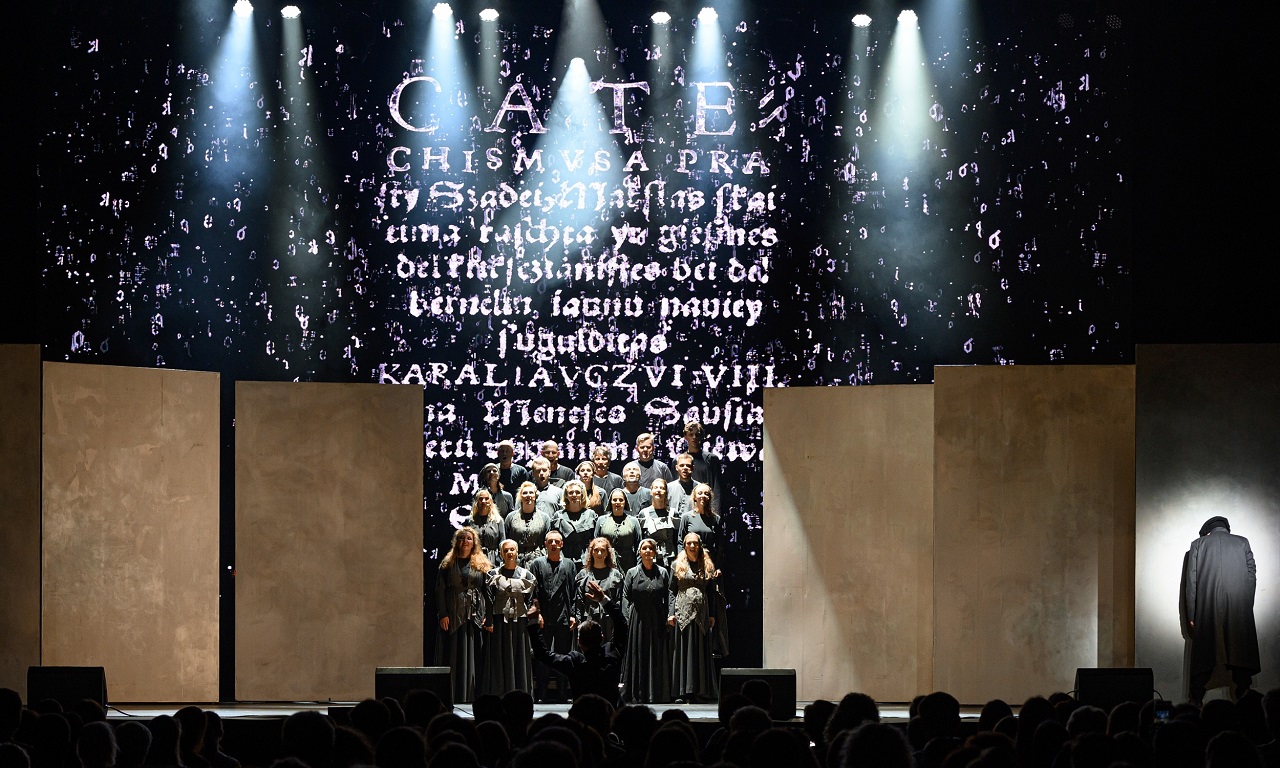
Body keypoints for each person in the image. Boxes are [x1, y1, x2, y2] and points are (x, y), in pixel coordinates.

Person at [1182, 515, 1260, 703]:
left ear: (1208, 532)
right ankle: (1245, 707)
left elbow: (1192, 582)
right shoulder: (1242, 542)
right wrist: (1245, 605)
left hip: (1208, 609)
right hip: (1238, 609)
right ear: (1226, 528)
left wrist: (1192, 613)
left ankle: (1195, 704)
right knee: (1240, 657)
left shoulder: (1198, 544)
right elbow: (1251, 575)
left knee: (1205, 657)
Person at [526, 579, 629, 707]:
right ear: (602, 637)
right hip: (610, 714)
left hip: (582, 715)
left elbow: (542, 654)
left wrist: (533, 622)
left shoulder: (575, 663)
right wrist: (603, 599)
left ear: (579, 641)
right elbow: (621, 624)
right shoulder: (612, 655)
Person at [435, 528, 492, 703]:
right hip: (454, 612)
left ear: (474, 542)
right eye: (462, 538)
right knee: (453, 653)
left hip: (475, 614)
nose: (465, 541)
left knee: (475, 653)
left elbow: (487, 591)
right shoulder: (447, 564)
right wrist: (443, 614)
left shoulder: (481, 564)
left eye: (469, 538)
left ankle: (472, 695)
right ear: (456, 541)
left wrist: (488, 616)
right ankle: (454, 694)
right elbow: (439, 590)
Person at [528, 530, 579, 703]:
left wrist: (573, 615)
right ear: (545, 544)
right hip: (544, 616)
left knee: (563, 654)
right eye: (550, 541)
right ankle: (542, 691)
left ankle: (563, 691)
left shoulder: (569, 564)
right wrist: (537, 613)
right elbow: (533, 591)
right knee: (542, 655)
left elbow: (574, 592)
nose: (554, 544)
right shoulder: (537, 564)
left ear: (562, 544)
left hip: (563, 615)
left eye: (557, 541)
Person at [481, 540, 537, 696]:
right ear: (501, 554)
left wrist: (529, 619)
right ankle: (500, 692)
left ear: (517, 552)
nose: (509, 553)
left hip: (520, 620)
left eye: (512, 549)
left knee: (520, 655)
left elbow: (530, 600)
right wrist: (490, 621)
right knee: (500, 655)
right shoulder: (493, 574)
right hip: (500, 620)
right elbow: (489, 599)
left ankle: (521, 691)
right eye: (506, 550)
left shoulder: (527, 575)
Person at [669, 532, 720, 703]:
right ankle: (683, 692)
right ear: (684, 546)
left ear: (699, 545)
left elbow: (711, 591)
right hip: (682, 612)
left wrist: (712, 614)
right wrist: (671, 613)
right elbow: (671, 590)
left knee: (700, 650)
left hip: (702, 613)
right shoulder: (676, 565)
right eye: (689, 543)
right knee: (684, 650)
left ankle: (701, 691)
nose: (692, 546)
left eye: (695, 543)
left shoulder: (707, 565)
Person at [621, 538, 672, 704]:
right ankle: (638, 693)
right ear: (640, 552)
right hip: (637, 618)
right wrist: (626, 619)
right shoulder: (632, 573)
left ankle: (656, 693)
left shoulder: (663, 572)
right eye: (645, 548)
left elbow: (668, 595)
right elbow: (625, 597)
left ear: (655, 552)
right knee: (638, 653)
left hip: (657, 617)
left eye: (651, 548)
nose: (648, 551)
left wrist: (669, 615)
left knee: (656, 655)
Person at [575, 537, 626, 641]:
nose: (599, 553)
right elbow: (579, 601)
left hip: (609, 622)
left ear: (607, 553)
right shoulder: (583, 575)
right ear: (591, 552)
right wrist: (579, 624)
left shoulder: (616, 575)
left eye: (602, 550)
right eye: (596, 550)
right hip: (588, 620)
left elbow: (619, 601)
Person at [681, 421, 723, 517]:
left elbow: (717, 488)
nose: (694, 437)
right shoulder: (679, 461)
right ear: (685, 437)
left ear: (702, 436)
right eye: (691, 434)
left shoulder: (711, 460)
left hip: (707, 508)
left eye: (697, 434)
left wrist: (715, 514)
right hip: (686, 509)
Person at [552, 479, 598, 565]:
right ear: (566, 495)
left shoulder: (591, 514)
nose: (574, 495)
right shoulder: (558, 516)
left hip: (586, 558)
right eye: (571, 492)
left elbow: (595, 539)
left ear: (582, 494)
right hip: (564, 559)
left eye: (577, 492)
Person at [596, 488, 643, 573]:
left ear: (625, 502)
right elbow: (596, 543)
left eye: (621, 500)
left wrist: (637, 568)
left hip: (628, 563)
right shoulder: (601, 520)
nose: (617, 502)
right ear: (610, 502)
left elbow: (639, 546)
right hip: (607, 562)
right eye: (614, 500)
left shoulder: (633, 521)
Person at [638, 478, 682, 568]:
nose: (658, 490)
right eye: (656, 488)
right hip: (650, 558)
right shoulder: (644, 513)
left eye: (662, 488)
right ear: (651, 492)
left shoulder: (673, 513)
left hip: (670, 557)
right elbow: (640, 539)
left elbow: (677, 539)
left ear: (666, 492)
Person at [505, 482, 551, 568]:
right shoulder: (511, 517)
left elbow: (547, 541)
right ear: (520, 496)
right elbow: (506, 539)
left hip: (538, 560)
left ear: (535, 496)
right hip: (515, 559)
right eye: (525, 493)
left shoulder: (544, 518)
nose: (528, 495)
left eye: (531, 492)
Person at [464, 488, 507, 563]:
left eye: (486, 499)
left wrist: (500, 559)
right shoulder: (470, 521)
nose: (483, 501)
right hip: (474, 558)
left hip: (493, 559)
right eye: (481, 499)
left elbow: (502, 541)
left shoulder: (498, 520)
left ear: (491, 502)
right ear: (476, 502)